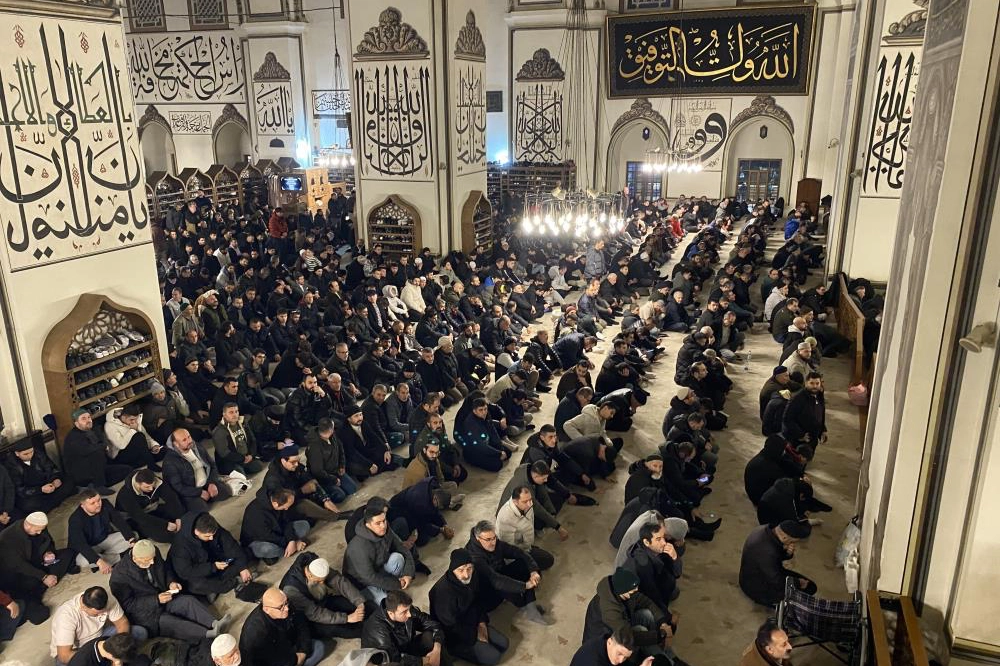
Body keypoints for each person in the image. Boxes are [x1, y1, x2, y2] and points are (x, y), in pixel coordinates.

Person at [110, 539, 227, 642]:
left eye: (153, 559)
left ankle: (214, 623)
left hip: (165, 597)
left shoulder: (154, 552)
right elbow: (129, 605)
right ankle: (207, 634)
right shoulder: (119, 577)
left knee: (187, 601)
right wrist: (156, 600)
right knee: (172, 623)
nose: (152, 562)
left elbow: (166, 570)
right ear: (135, 558)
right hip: (146, 614)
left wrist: (171, 582)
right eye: (147, 560)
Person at [428, 548, 509, 666]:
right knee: (494, 657)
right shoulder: (443, 593)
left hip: (471, 619)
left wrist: (481, 623)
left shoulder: (473, 576)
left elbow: (478, 600)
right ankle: (454, 652)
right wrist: (475, 634)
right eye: (460, 570)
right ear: (452, 570)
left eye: (469, 568)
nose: (466, 575)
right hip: (454, 632)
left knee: (504, 644)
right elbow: (450, 625)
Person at [463, 520, 551, 625]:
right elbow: (496, 580)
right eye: (488, 539)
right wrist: (525, 586)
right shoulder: (474, 557)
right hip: (486, 593)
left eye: (494, 537)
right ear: (478, 538)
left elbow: (518, 552)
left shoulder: (494, 543)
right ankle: (526, 606)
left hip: (498, 574)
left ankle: (530, 605)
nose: (493, 542)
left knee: (525, 565)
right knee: (503, 584)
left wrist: (533, 571)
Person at [582, 568, 672, 664]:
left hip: (624, 622)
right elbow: (628, 637)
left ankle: (659, 651)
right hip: (607, 639)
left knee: (647, 615)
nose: (636, 591)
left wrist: (662, 622)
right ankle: (664, 660)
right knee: (640, 630)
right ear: (623, 591)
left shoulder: (625, 591)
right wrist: (660, 635)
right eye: (633, 591)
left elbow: (647, 602)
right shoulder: (609, 611)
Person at [0, 512, 75, 624]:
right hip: (22, 576)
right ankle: (41, 586)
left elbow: (49, 542)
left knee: (69, 553)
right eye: (37, 530)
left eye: (42, 529)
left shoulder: (39, 527)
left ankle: (43, 584)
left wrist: (49, 552)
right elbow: (19, 566)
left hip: (39, 564)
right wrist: (43, 577)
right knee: (40, 614)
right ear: (28, 525)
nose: (40, 532)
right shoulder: (7, 537)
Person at [280, 552, 368, 640]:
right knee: (339, 629)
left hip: (322, 601)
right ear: (310, 575)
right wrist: (347, 618)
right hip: (309, 617)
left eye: (323, 580)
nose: (322, 583)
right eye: (318, 581)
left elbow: (340, 582)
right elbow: (315, 613)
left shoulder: (316, 564)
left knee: (353, 605)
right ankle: (368, 632)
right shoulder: (292, 589)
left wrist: (359, 602)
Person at [167, 512, 254, 601]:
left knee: (244, 554)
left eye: (213, 534)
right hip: (198, 570)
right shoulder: (180, 546)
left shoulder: (211, 526)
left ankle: (216, 587)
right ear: (197, 532)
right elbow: (186, 571)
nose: (211, 538)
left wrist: (243, 568)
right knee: (196, 585)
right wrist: (212, 567)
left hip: (214, 560)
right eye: (207, 536)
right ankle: (233, 583)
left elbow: (231, 545)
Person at [343, 502, 416, 605]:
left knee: (398, 558)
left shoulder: (386, 529)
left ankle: (389, 587)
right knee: (385, 603)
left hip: (378, 569)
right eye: (378, 523)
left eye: (384, 520)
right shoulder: (359, 547)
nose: (383, 526)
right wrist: (396, 584)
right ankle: (385, 590)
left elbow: (402, 549)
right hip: (363, 582)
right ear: (368, 525)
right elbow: (370, 578)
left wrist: (408, 574)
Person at [50, 587, 140, 666]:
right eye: (96, 614)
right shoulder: (66, 615)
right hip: (77, 650)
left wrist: (118, 648)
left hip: (99, 637)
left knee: (139, 633)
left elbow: (122, 622)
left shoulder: (104, 598)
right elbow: (64, 656)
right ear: (83, 607)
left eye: (103, 611)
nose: (102, 615)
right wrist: (104, 655)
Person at [361, 589, 449, 666]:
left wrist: (437, 650)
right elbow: (394, 660)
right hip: (390, 660)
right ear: (391, 613)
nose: (409, 614)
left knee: (432, 638)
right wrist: (425, 661)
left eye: (409, 609)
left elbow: (433, 624)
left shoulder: (405, 608)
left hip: (406, 646)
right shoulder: (379, 632)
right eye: (404, 612)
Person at [738, 520, 816, 606]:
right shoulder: (768, 552)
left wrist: (787, 553)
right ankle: (773, 603)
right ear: (784, 538)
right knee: (809, 589)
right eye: (792, 541)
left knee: (808, 586)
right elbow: (776, 580)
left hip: (755, 575)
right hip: (756, 588)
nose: (792, 544)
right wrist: (797, 582)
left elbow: (774, 560)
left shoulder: (764, 530)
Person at [239, 588, 325, 666]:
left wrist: (303, 651)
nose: (287, 608)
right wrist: (294, 660)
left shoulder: (285, 604)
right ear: (267, 609)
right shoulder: (255, 633)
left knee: (319, 646)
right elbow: (269, 658)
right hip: (273, 660)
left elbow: (301, 624)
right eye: (281, 607)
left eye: (286, 602)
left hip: (289, 644)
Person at [260, 446, 341, 521]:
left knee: (337, 494)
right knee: (305, 504)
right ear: (283, 461)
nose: (296, 464)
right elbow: (283, 501)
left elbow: (310, 480)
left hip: (298, 494)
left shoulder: (295, 466)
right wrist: (301, 491)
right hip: (286, 507)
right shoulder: (273, 479)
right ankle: (335, 516)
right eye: (293, 462)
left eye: (298, 461)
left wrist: (325, 499)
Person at [162, 429, 233, 513]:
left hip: (206, 483)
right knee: (202, 509)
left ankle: (207, 495)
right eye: (184, 440)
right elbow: (178, 487)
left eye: (189, 437)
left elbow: (212, 465)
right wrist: (198, 492)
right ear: (176, 444)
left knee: (226, 492)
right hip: (190, 490)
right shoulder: (170, 462)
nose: (189, 441)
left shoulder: (197, 447)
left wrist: (212, 483)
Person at [62, 409, 131, 495]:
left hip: (99, 470)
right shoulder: (73, 437)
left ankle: (94, 485)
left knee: (127, 470)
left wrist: (103, 445)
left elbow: (103, 443)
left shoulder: (92, 430)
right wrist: (103, 446)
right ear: (76, 423)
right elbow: (87, 450)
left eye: (89, 417)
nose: (88, 420)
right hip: (81, 473)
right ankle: (98, 486)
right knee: (96, 452)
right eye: (83, 419)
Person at [68, 488, 136, 573]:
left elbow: (119, 521)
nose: (98, 504)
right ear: (83, 506)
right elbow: (81, 544)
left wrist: (131, 540)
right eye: (92, 503)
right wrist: (99, 561)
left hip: (104, 539)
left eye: (99, 500)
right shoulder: (75, 519)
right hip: (89, 546)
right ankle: (116, 557)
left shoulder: (105, 504)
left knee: (132, 536)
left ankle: (102, 560)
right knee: (82, 561)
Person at [4, 438, 75, 514]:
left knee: (69, 481)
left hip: (48, 485)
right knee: (27, 505)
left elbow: (51, 468)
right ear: (17, 453)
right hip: (33, 493)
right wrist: (40, 489)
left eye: (31, 452)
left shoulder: (38, 454)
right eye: (26, 454)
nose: (30, 455)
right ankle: (53, 502)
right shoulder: (11, 465)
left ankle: (47, 506)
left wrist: (55, 479)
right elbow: (19, 490)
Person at [115, 469, 185, 543]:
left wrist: (178, 517)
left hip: (151, 509)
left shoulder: (156, 481)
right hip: (134, 518)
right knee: (162, 535)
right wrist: (165, 525)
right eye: (147, 487)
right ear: (138, 484)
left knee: (180, 511)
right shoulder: (125, 494)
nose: (151, 489)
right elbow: (139, 517)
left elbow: (171, 498)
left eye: (153, 485)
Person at [495, 485, 556, 571]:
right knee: (548, 560)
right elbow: (508, 546)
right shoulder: (505, 518)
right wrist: (525, 554)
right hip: (516, 552)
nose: (529, 504)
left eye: (530, 500)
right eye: (525, 501)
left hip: (525, 545)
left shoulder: (526, 505)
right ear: (515, 502)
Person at [240, 488, 310, 564]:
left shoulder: (279, 502)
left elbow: (287, 522)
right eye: (285, 507)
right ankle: (288, 549)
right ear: (276, 504)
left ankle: (285, 551)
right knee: (267, 549)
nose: (287, 509)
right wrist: (292, 543)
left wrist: (292, 540)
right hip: (259, 540)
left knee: (304, 525)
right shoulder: (256, 513)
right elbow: (267, 536)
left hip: (278, 532)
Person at [305, 418, 358, 505]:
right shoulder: (314, 447)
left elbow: (340, 448)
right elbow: (317, 471)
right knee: (340, 496)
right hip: (323, 478)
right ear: (330, 429)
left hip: (336, 471)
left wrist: (342, 465)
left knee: (352, 489)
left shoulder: (332, 436)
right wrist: (333, 479)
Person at [388, 479, 454, 547]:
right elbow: (422, 524)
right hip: (396, 513)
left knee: (432, 520)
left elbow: (435, 511)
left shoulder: (431, 489)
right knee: (423, 539)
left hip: (408, 508)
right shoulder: (421, 503)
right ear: (435, 498)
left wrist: (444, 525)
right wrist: (441, 530)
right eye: (439, 506)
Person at [103, 404, 164, 472]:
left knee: (163, 451)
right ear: (123, 417)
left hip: (136, 452)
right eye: (131, 419)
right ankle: (151, 464)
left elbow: (146, 437)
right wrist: (133, 430)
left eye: (136, 419)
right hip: (120, 456)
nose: (134, 422)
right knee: (139, 437)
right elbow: (121, 445)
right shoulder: (109, 425)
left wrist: (154, 445)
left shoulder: (134, 421)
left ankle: (142, 462)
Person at [211, 403, 264, 476]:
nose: (235, 415)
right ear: (224, 414)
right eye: (231, 412)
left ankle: (243, 468)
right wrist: (243, 458)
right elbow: (224, 453)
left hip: (245, 456)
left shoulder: (243, 423)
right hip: (230, 461)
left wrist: (251, 455)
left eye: (236, 411)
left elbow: (253, 440)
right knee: (240, 475)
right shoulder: (219, 431)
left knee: (259, 465)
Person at [571, 632, 655, 666]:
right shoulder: (595, 662)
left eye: (625, 657)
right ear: (609, 642)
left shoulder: (607, 642)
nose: (621, 660)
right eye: (619, 654)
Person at [66, 632, 150, 666]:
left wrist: (117, 662)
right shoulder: (82, 662)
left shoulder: (108, 640)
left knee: (144, 660)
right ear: (111, 656)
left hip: (110, 662)